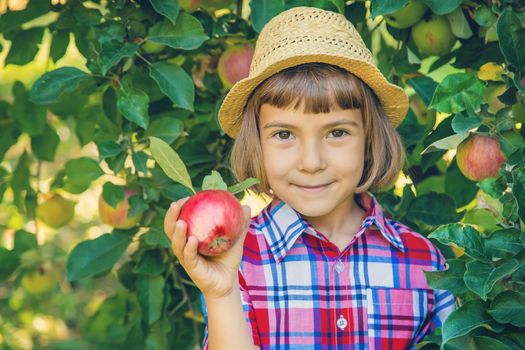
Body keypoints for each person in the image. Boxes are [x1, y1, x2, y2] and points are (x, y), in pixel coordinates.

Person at [164, 6, 457, 350]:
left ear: (370, 139)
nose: (311, 162)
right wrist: (222, 292)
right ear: (256, 144)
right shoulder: (240, 260)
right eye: (284, 135)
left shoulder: (423, 261)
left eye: (336, 132)